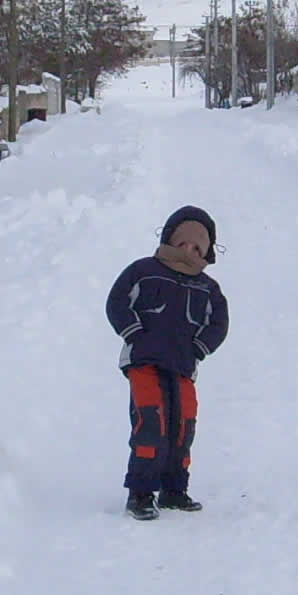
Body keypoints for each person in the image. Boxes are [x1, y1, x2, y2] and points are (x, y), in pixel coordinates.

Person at [103, 205, 229, 520]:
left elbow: (219, 324)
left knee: (183, 426)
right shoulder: (143, 270)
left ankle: (174, 489)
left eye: (197, 247)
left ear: (207, 252)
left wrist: (199, 348)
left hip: (184, 367)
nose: (188, 251)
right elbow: (117, 301)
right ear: (168, 239)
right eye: (182, 243)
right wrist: (132, 332)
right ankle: (141, 492)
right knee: (151, 421)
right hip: (144, 361)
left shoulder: (208, 288)